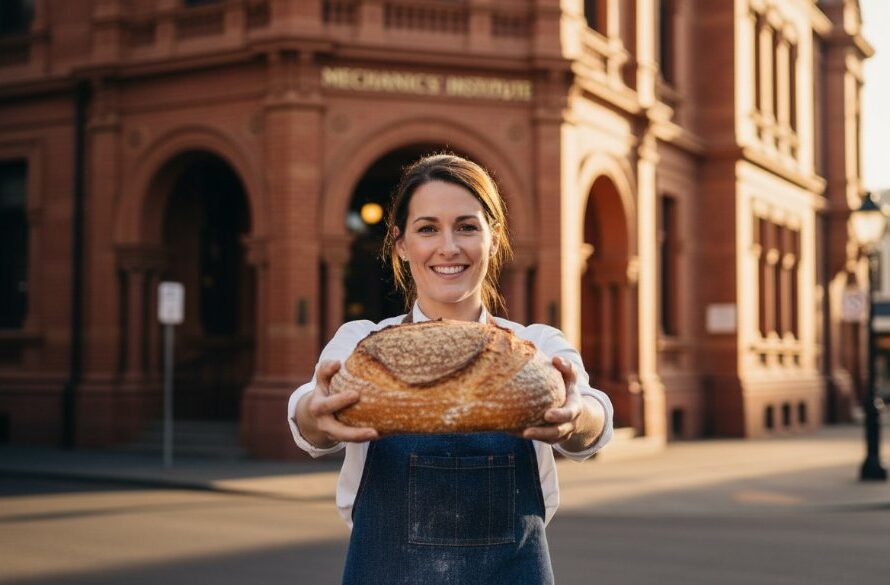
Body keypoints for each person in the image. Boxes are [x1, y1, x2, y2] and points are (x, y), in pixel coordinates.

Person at [287, 153, 614, 585]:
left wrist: (577, 419)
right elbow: (309, 421)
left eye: (466, 226)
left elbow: (593, 419)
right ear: (401, 244)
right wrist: (317, 411)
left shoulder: (537, 346)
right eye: (428, 229)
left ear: (493, 238)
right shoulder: (362, 343)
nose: (449, 247)